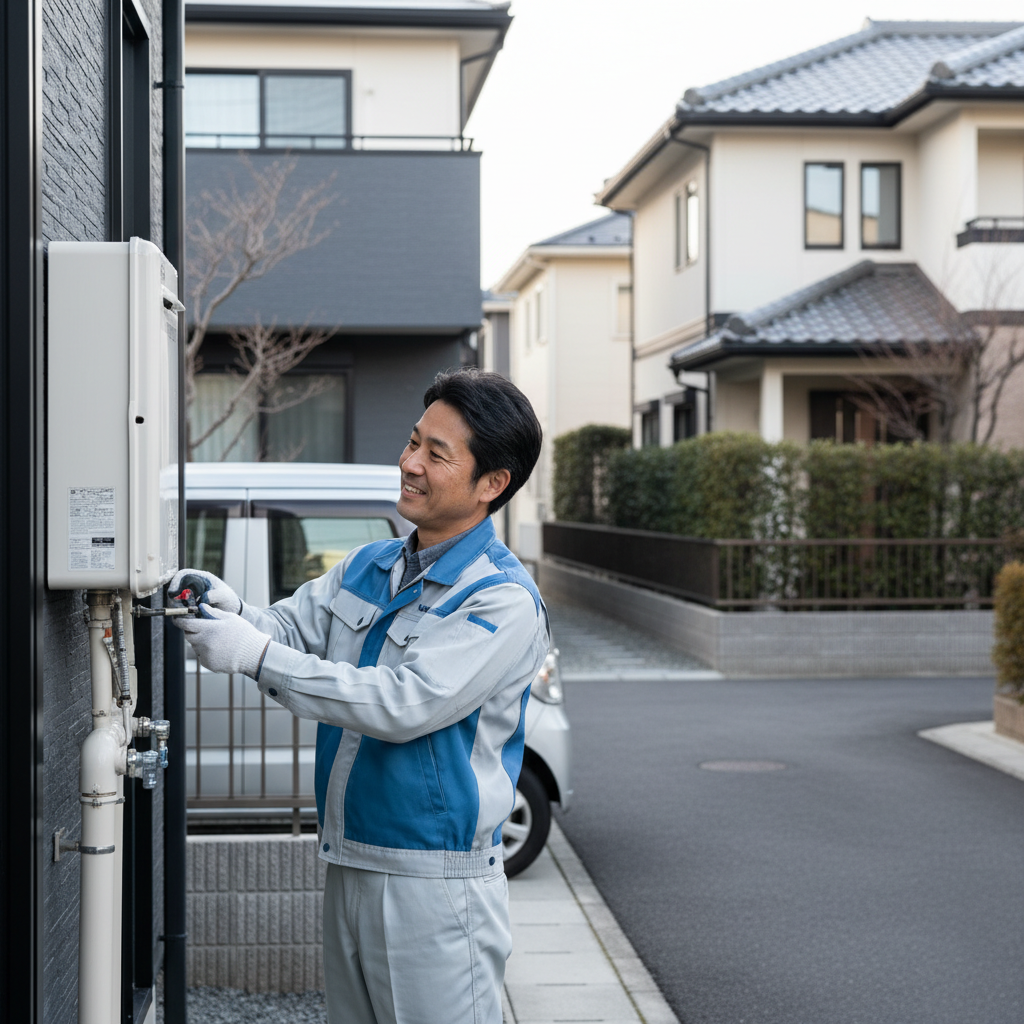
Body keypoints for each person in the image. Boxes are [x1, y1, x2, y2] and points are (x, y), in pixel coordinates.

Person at [172, 367, 548, 1024]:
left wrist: (255, 654)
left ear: (493, 484)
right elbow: (288, 627)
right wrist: (230, 607)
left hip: (434, 884)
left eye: (436, 454)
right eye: (412, 442)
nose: (409, 463)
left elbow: (403, 704)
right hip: (350, 859)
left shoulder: (500, 599)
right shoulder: (369, 566)